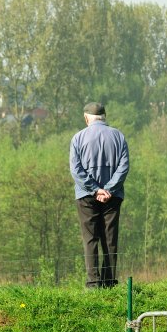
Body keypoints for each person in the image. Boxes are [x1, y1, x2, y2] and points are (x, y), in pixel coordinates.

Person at [70, 102, 130, 289]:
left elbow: (76, 169)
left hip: (86, 196)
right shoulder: (118, 136)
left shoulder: (78, 138)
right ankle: (109, 281)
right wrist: (109, 189)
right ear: (104, 117)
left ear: (86, 118)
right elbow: (124, 166)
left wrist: (94, 189)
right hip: (113, 196)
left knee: (90, 238)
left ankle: (93, 282)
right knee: (110, 239)